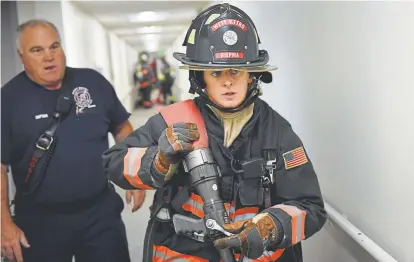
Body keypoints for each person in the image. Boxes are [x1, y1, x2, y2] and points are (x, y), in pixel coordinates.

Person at [103, 3, 327, 262]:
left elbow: (310, 207)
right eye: (216, 72)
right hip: (185, 253)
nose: (227, 81)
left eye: (236, 71)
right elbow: (114, 161)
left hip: (254, 254)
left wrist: (269, 228)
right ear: (200, 77)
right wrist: (159, 159)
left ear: (252, 75)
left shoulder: (276, 131)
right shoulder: (175, 121)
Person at [1, 19, 146, 262]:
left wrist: (132, 173)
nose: (49, 56)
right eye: (37, 50)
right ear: (21, 56)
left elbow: (122, 127)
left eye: (54, 46)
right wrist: (4, 224)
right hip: (39, 222)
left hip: (99, 214)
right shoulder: (8, 100)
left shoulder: (93, 82)